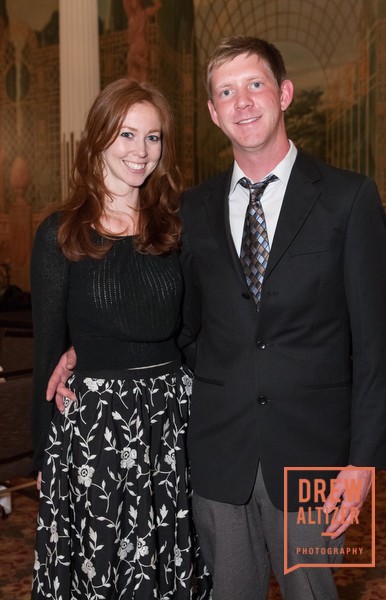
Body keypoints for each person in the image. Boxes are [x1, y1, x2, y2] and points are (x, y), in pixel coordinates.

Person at [47, 37, 386, 600]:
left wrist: (362, 464)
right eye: (225, 92)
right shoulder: (191, 209)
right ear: (213, 112)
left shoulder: (347, 199)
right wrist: (85, 352)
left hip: (310, 457)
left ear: (282, 93)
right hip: (215, 449)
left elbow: (377, 346)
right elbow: (175, 321)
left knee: (314, 592)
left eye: (254, 85)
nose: (242, 102)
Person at [30, 78, 211, 600]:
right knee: (101, 571)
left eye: (153, 138)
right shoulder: (60, 234)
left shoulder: (175, 230)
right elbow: (47, 356)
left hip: (170, 426)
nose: (141, 151)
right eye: (127, 134)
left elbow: (190, 333)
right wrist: (44, 455)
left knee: (171, 567)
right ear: (98, 139)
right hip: (94, 435)